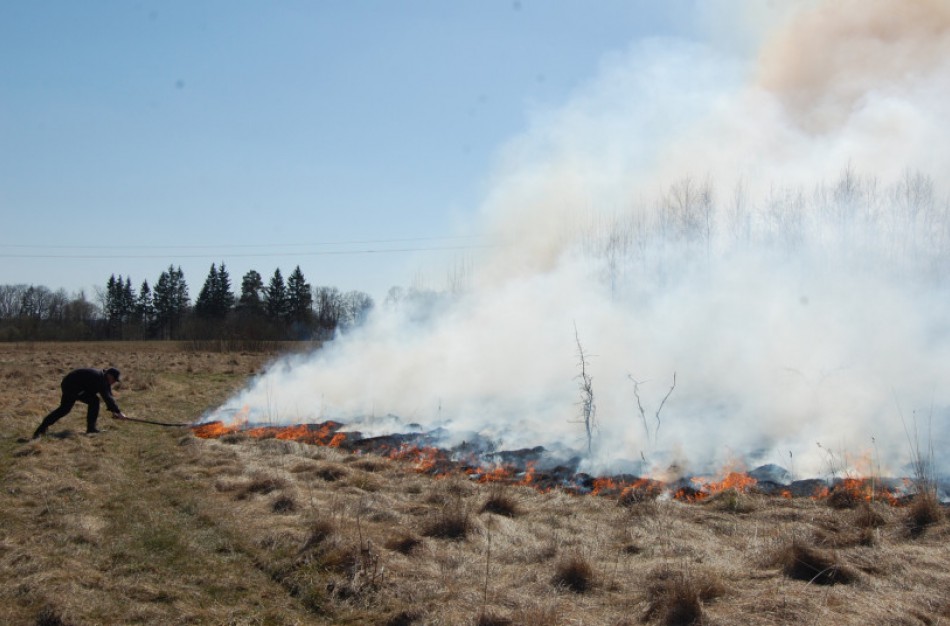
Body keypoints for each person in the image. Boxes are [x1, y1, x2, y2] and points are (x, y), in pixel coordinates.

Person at [32, 367, 128, 439]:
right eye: (114, 380)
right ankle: (91, 429)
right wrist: (118, 412)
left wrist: (114, 412)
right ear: (109, 376)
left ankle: (41, 430)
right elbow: (107, 398)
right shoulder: (100, 379)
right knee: (91, 402)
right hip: (71, 386)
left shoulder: (103, 379)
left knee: (66, 409)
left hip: (73, 385)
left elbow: (109, 396)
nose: (114, 382)